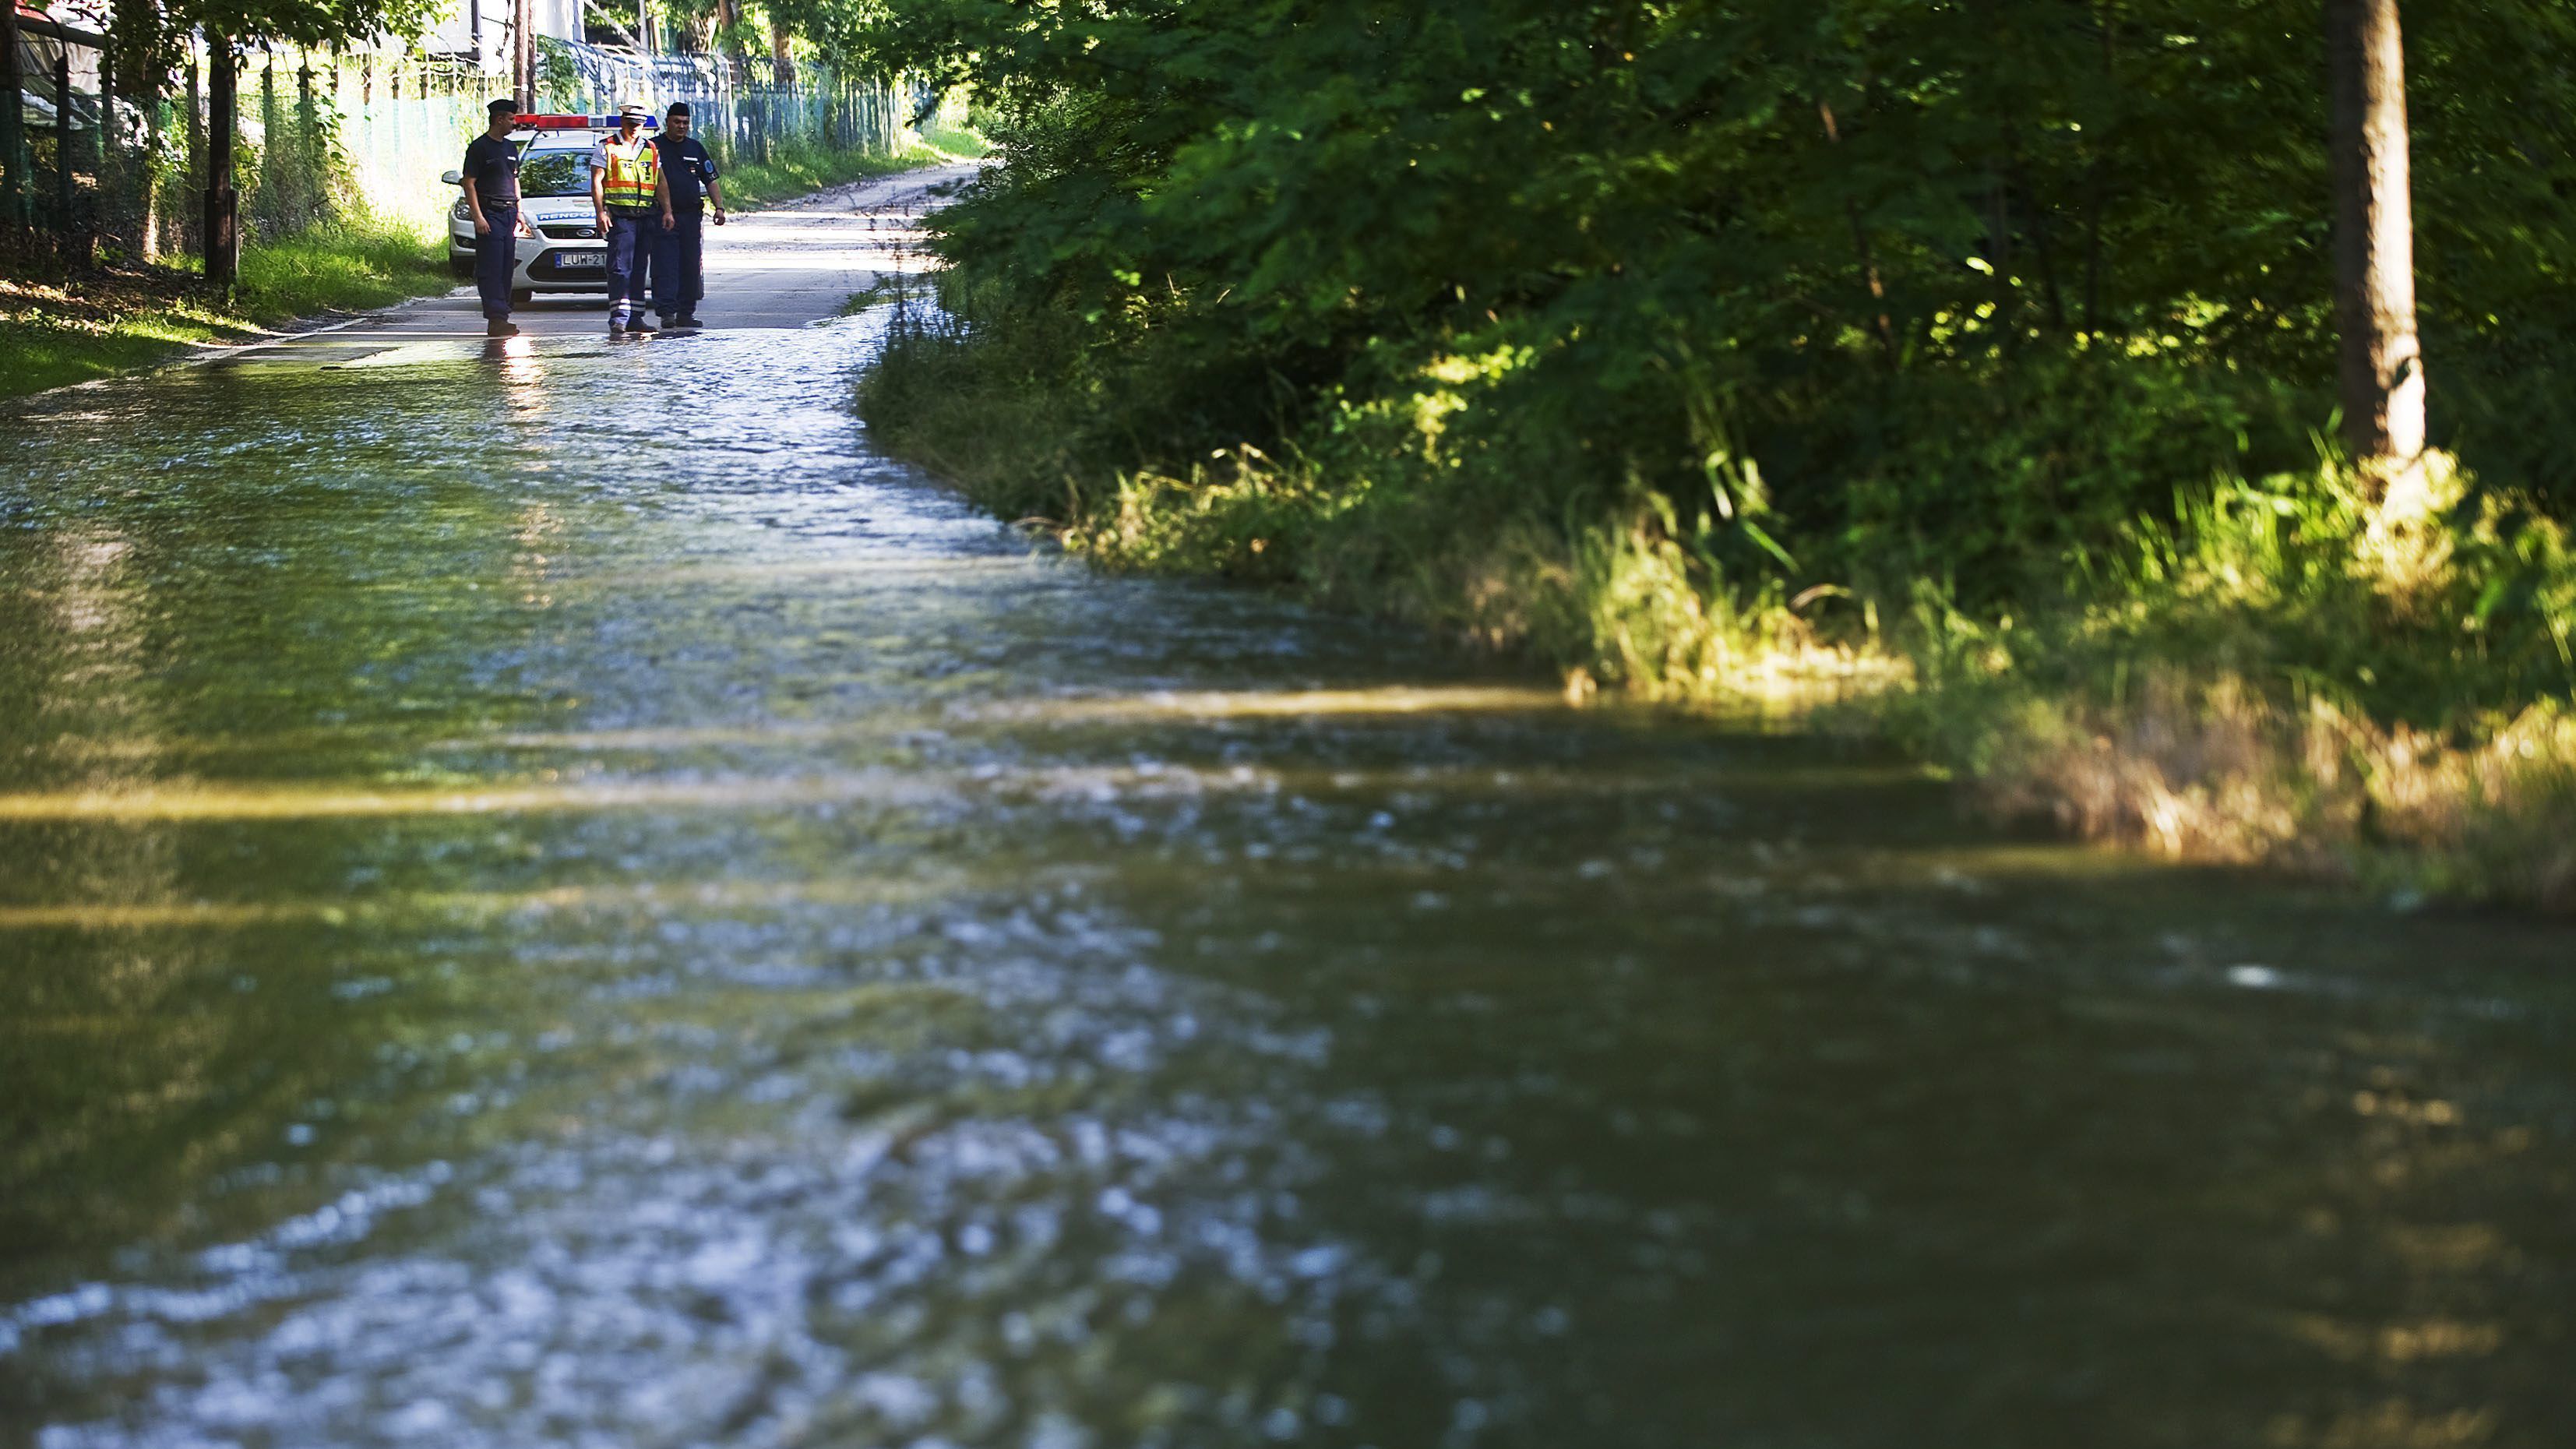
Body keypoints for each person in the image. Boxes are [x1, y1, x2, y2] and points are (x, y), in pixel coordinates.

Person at [590, 100, 668, 336]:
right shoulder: (607, 147)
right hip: (620, 217)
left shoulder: (651, 149)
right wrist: (600, 212)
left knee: (638, 269)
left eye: (639, 124)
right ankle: (619, 318)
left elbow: (660, 182)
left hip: (646, 216)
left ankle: (636, 317)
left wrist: (668, 211)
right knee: (619, 268)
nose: (635, 128)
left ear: (644, 124)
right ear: (622, 121)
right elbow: (596, 181)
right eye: (631, 123)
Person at [651, 101, 726, 329]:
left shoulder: (695, 148)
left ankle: (686, 312)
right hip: (663, 217)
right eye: (677, 122)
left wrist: (719, 208)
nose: (681, 126)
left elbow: (711, 180)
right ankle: (667, 313)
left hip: (691, 216)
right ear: (668, 122)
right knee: (666, 265)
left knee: (690, 265)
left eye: (685, 122)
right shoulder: (654, 147)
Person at [459, 98, 523, 339]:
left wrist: (520, 212)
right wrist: (478, 217)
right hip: (490, 214)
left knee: (507, 267)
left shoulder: (510, 148)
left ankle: (503, 316)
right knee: (492, 267)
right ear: (499, 119)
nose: (513, 124)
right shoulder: (479, 148)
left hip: (509, 214)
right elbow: (469, 183)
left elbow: (515, 181)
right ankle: (496, 318)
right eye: (511, 119)